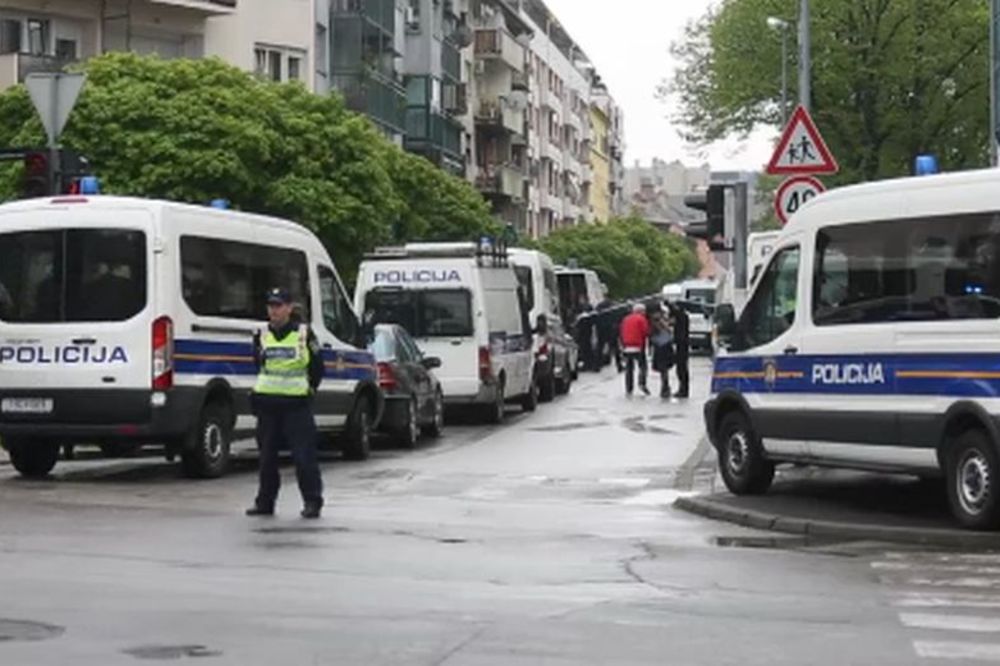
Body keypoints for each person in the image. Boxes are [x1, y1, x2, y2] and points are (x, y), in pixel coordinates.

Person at [247, 288, 326, 519]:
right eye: (271, 306)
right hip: (267, 404)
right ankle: (265, 502)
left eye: (279, 306)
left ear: (290, 308)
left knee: (304, 457)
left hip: (296, 405)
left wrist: (310, 389)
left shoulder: (303, 333)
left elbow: (317, 367)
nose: (274, 310)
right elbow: (258, 364)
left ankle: (312, 501)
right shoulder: (261, 334)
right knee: (266, 458)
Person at [619, 303, 651, 396]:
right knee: (643, 366)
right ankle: (642, 383)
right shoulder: (641, 319)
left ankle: (629, 388)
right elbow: (646, 332)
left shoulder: (625, 319)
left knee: (629, 368)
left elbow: (621, 331)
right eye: (644, 311)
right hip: (638, 345)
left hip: (627, 346)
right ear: (640, 311)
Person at [668, 300, 690, 398]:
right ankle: (683, 389)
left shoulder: (682, 316)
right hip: (681, 344)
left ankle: (683, 390)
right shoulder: (682, 316)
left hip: (682, 344)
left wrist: (668, 304)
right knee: (681, 368)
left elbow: (675, 312)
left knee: (681, 368)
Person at [650, 311, 675, 398]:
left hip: (660, 349)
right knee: (664, 370)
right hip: (665, 349)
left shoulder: (654, 328)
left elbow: (652, 339)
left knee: (663, 370)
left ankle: (665, 387)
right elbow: (670, 337)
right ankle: (665, 387)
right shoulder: (664, 327)